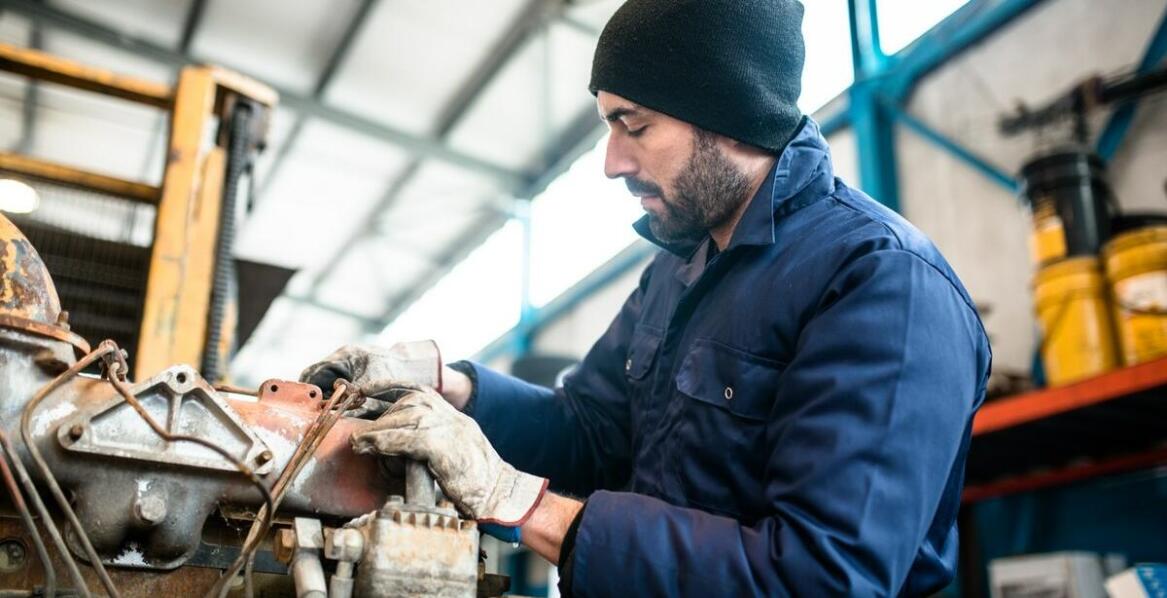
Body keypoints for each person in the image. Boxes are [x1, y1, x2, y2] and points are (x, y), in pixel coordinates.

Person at [301, 0, 991, 594]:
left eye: (635, 127)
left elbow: (822, 576)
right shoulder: (678, 271)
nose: (612, 163)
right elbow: (593, 430)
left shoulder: (879, 282)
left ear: (730, 114)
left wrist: (520, 504)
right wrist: (450, 388)